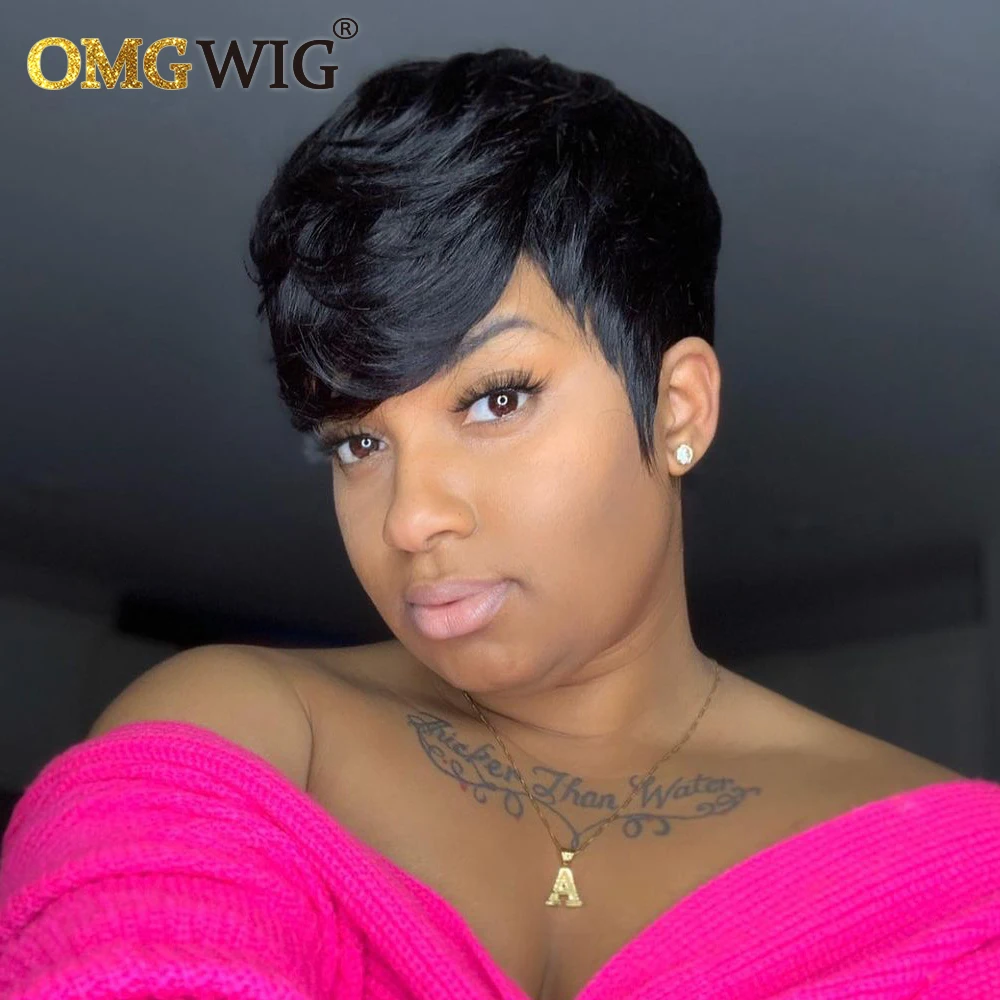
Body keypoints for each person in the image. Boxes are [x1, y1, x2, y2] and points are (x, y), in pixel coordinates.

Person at [2, 46, 998, 1000]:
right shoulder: (251, 731)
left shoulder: (962, 885)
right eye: (357, 443)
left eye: (495, 399)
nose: (411, 518)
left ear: (678, 409)